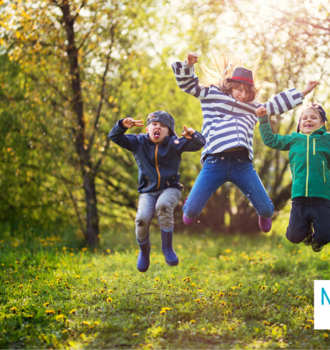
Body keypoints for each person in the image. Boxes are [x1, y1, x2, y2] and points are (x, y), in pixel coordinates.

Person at [171, 50, 318, 232]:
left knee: (266, 210)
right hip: (214, 162)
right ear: (230, 86)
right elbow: (189, 85)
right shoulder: (212, 96)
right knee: (192, 212)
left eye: (247, 91)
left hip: (242, 164)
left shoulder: (254, 107)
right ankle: (190, 207)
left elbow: (276, 105)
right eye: (239, 89)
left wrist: (304, 91)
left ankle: (263, 210)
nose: (242, 94)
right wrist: (188, 65)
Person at [257, 101, 330, 251]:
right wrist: (263, 119)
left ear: (322, 123)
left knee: (324, 237)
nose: (308, 120)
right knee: (293, 236)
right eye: (304, 118)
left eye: (313, 117)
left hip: (322, 198)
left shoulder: (329, 139)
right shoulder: (293, 139)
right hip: (300, 198)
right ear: (299, 124)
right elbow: (270, 140)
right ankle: (306, 232)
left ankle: (318, 240)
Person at [108, 111, 205, 271]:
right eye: (154, 124)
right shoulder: (139, 142)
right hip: (147, 191)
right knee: (142, 218)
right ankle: (144, 252)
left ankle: (167, 248)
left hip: (170, 188)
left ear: (169, 132)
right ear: (147, 129)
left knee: (164, 206)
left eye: (163, 126)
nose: (157, 127)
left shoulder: (174, 143)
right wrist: (121, 126)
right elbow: (115, 137)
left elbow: (200, 143)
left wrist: (193, 134)